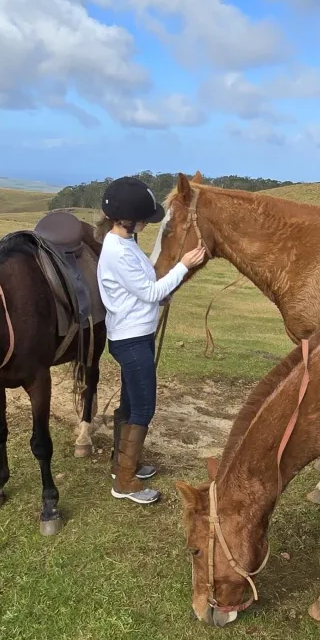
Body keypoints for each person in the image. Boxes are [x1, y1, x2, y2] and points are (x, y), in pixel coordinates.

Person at [97, 177, 206, 504]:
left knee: (131, 404)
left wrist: (158, 299)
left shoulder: (125, 244)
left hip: (135, 336)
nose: (146, 222)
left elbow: (142, 289)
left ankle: (123, 466)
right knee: (144, 407)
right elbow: (149, 290)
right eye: (143, 218)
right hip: (130, 341)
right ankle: (125, 481)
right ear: (127, 219)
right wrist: (182, 268)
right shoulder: (118, 250)